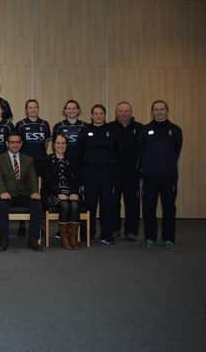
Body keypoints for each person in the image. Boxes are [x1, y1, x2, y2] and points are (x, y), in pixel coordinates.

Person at [140, 100, 182, 247]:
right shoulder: (145, 130)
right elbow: (141, 152)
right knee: (148, 207)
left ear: (167, 111)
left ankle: (168, 238)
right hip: (149, 176)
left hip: (169, 176)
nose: (159, 112)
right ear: (152, 112)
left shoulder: (175, 130)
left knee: (169, 207)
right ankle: (150, 237)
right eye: (156, 109)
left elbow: (177, 151)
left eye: (162, 109)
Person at [0, 132, 42, 252]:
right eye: (12, 142)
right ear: (7, 144)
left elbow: (33, 178)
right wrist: (2, 192)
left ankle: (33, 240)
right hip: (7, 195)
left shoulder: (28, 160)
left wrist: (35, 191)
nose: (15, 145)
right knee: (2, 205)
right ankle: (4, 240)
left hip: (24, 195)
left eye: (17, 142)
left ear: (21, 144)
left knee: (37, 204)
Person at [78, 104, 118, 245]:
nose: (98, 116)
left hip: (107, 175)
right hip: (89, 175)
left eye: (101, 113)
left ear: (105, 115)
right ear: (91, 115)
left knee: (107, 206)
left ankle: (107, 235)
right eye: (96, 113)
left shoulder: (112, 131)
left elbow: (117, 153)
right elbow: (79, 153)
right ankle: (87, 235)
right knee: (89, 206)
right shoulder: (85, 131)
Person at [109, 101, 143, 241]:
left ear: (131, 112)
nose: (123, 114)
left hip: (132, 173)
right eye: (121, 111)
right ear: (116, 113)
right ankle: (114, 229)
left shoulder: (140, 128)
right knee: (113, 202)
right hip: (113, 173)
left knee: (132, 203)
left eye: (126, 111)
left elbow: (144, 151)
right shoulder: (109, 128)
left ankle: (131, 231)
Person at [43, 134, 81, 250]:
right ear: (54, 145)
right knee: (64, 205)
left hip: (71, 193)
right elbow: (48, 181)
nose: (61, 145)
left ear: (67, 145)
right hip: (53, 194)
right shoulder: (48, 160)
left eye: (63, 143)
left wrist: (74, 192)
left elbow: (77, 179)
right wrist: (58, 193)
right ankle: (64, 237)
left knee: (74, 205)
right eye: (58, 143)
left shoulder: (72, 160)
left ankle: (72, 236)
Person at [52, 100, 87, 165]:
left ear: (78, 110)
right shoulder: (58, 126)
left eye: (74, 108)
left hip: (81, 160)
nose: (71, 111)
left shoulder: (85, 126)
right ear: (65, 111)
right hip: (64, 160)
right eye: (69, 109)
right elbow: (54, 145)